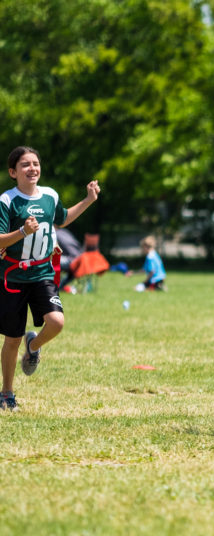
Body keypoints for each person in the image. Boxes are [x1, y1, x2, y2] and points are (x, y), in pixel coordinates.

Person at [0, 146, 100, 412]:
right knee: (11, 338)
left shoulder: (50, 195)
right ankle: (7, 394)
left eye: (36, 163)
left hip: (43, 273)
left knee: (56, 322)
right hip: (13, 277)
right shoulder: (7, 201)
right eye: (25, 165)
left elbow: (63, 219)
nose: (32, 168)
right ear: (13, 172)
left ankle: (33, 346)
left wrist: (88, 199)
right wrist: (22, 231)